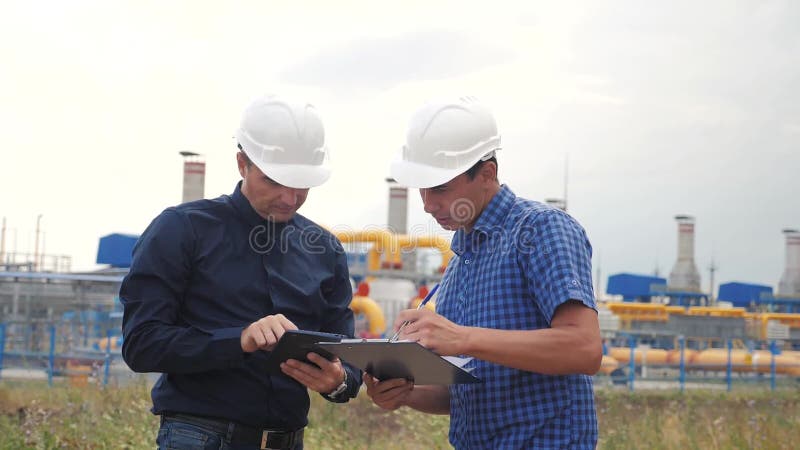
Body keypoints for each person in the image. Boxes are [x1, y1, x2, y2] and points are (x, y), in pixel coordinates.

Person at [120, 95, 361, 450]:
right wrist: (240, 340)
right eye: (274, 181)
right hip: (197, 437)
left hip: (288, 440)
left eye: (301, 185)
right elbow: (141, 345)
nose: (289, 198)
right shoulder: (181, 229)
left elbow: (348, 356)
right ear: (241, 163)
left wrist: (339, 382)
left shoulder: (324, 249)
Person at [365, 96, 602, 449]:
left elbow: (584, 348)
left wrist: (460, 337)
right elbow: (467, 396)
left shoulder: (541, 230)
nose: (429, 205)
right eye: (423, 189)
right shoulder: (461, 260)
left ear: (487, 173)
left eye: (441, 188)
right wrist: (403, 393)